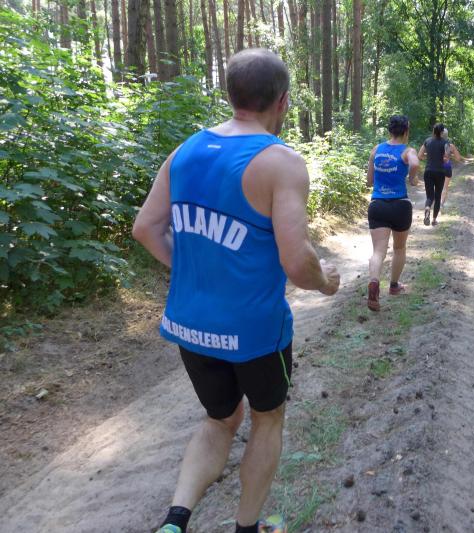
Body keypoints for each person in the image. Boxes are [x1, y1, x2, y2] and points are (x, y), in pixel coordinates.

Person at [133, 48, 340, 533]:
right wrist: (325, 283)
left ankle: (175, 522)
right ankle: (248, 528)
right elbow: (296, 261)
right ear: (283, 101)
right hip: (254, 332)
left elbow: (145, 229)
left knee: (220, 419)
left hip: (189, 324)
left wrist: (194, 271)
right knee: (266, 419)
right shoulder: (281, 162)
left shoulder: (185, 151)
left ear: (231, 95)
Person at [366, 115, 420, 311]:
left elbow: (369, 181)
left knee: (378, 251)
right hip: (400, 205)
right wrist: (412, 179)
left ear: (389, 131)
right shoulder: (407, 151)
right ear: (406, 131)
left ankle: (374, 281)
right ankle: (394, 286)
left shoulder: (376, 150)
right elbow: (415, 163)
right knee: (399, 248)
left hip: (378, 205)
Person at [417, 123, 449, 226]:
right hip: (440, 172)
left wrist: (429, 157)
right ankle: (434, 220)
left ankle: (427, 208)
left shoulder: (427, 141)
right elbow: (446, 158)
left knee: (430, 196)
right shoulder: (445, 143)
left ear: (433, 131)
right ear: (442, 132)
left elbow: (419, 156)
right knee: (438, 196)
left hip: (428, 171)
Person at [440, 128, 463, 212]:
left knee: (436, 185)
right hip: (447, 167)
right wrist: (451, 155)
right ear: (447, 136)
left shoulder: (434, 144)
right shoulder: (450, 146)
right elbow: (458, 158)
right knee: (445, 187)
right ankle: (441, 204)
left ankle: (434, 202)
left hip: (436, 167)